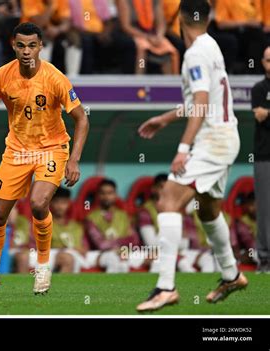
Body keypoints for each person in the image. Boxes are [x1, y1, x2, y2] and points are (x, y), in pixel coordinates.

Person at [0, 22, 89, 295]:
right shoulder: (2, 76)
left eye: (32, 45)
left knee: (38, 204)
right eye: (21, 45)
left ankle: (42, 268)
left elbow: (81, 119)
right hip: (16, 152)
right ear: (13, 46)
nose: (26, 51)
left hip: (52, 148)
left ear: (40, 47)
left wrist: (73, 160)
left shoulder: (55, 78)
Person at [137, 0, 247, 312]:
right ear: (209, 17)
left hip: (212, 140)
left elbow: (200, 102)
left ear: (178, 21)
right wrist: (167, 117)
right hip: (226, 135)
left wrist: (182, 150)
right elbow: (207, 99)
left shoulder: (195, 53)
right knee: (208, 210)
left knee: (168, 200)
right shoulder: (211, 45)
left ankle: (165, 286)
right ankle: (231, 274)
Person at [85, 179, 140, 273]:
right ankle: (110, 287)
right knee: (113, 258)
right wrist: (122, 242)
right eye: (103, 193)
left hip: (126, 251)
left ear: (115, 195)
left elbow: (134, 240)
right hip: (103, 254)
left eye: (110, 193)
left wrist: (118, 246)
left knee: (155, 256)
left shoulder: (123, 215)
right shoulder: (91, 218)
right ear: (98, 196)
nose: (106, 196)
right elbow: (101, 244)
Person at [251, 46, 270, 272]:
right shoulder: (258, 89)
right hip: (265, 156)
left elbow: (265, 115)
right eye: (268, 60)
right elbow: (259, 117)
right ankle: (265, 258)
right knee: (265, 209)